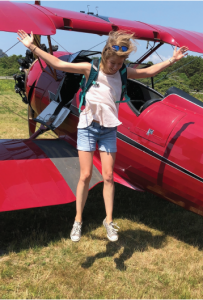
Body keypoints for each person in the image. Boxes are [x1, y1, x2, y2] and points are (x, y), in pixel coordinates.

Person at [17, 29, 188, 242]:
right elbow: (60, 64)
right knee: (85, 175)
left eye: (119, 64)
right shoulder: (91, 68)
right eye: (112, 63)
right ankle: (78, 221)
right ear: (105, 56)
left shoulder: (123, 72)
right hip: (87, 128)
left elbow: (149, 72)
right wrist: (33, 47)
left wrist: (172, 59)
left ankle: (108, 220)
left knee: (108, 176)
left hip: (108, 130)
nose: (115, 67)